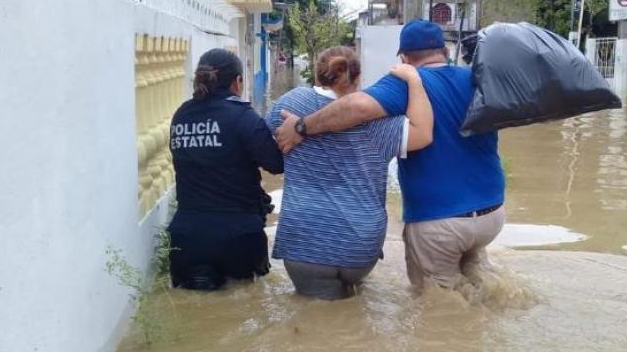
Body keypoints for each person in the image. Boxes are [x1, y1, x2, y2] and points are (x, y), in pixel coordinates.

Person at [276, 20, 506, 290]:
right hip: (492, 213)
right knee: (481, 287)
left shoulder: (405, 82)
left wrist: (302, 127)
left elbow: (357, 106)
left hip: (439, 220)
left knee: (438, 307)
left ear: (405, 58)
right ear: (444, 50)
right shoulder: (476, 79)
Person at [266, 46, 433, 299]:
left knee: (318, 321)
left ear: (317, 73)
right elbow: (423, 134)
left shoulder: (288, 104)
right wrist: (414, 81)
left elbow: (266, 145)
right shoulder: (377, 121)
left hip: (305, 243)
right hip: (360, 244)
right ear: (358, 76)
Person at [168, 48, 283, 291]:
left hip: (187, 239)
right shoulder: (243, 117)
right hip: (238, 236)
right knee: (245, 308)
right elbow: (276, 164)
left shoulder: (181, 115)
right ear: (238, 82)